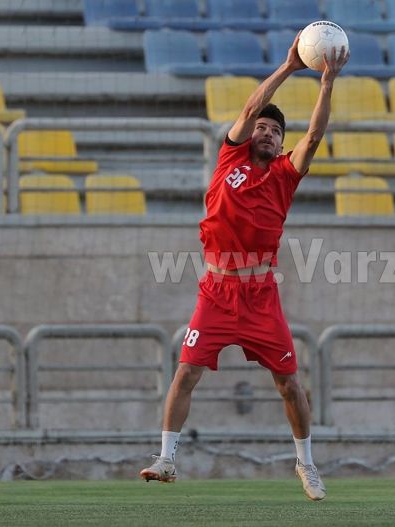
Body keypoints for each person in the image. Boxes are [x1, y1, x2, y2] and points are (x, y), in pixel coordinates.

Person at [139, 35, 349, 501]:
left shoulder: (285, 176)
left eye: (276, 130)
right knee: (185, 373)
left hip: (259, 296)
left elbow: (312, 137)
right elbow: (255, 103)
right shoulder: (230, 155)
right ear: (250, 131)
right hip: (216, 289)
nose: (269, 132)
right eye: (263, 126)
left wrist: (326, 84)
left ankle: (307, 465)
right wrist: (289, 66)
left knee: (289, 385)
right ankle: (167, 458)